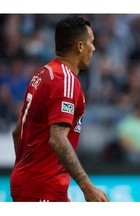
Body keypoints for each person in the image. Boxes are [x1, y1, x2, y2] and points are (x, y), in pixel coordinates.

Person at [10, 16, 109, 202]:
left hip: (29, 184)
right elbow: (57, 139)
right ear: (80, 47)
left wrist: (26, 171)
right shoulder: (65, 81)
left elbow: (17, 132)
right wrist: (87, 187)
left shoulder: (42, 74)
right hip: (44, 188)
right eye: (91, 42)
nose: (94, 48)